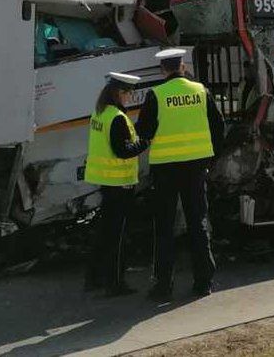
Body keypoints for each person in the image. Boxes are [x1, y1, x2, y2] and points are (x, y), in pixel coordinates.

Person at [137, 48, 224, 302]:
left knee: (164, 227)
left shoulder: (156, 95)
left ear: (163, 69)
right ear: (183, 66)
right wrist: (211, 157)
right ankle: (204, 281)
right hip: (196, 167)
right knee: (198, 222)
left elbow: (144, 132)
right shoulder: (201, 91)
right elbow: (218, 126)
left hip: (165, 169)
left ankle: (163, 286)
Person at [83, 72, 149, 297]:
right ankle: (116, 283)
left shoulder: (100, 113)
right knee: (119, 236)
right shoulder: (117, 118)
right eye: (128, 93)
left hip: (106, 182)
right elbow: (123, 150)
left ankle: (94, 278)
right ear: (118, 93)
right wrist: (144, 144)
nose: (130, 97)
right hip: (120, 184)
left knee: (104, 233)